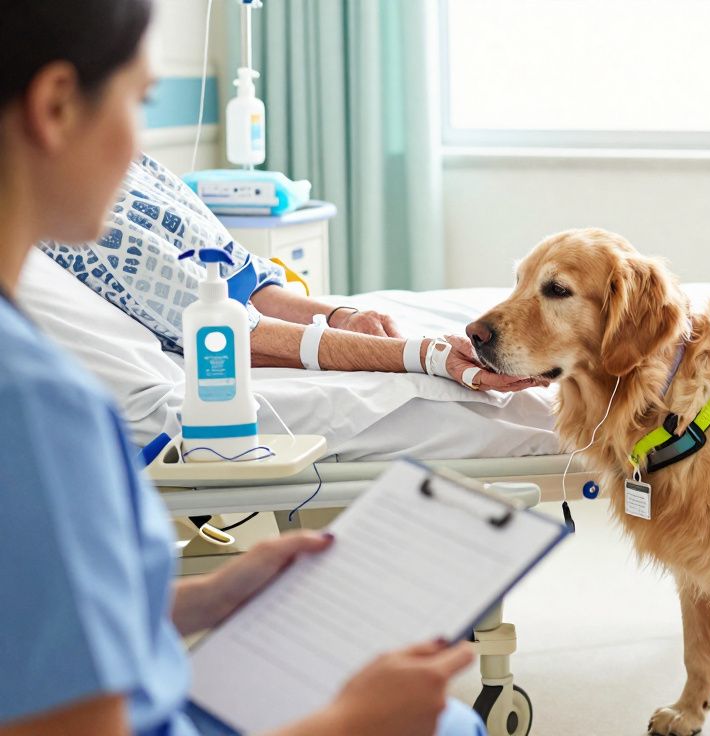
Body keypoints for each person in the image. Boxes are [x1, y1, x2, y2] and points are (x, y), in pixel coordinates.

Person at [0, 2, 486, 734]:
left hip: (146, 684)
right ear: (56, 107)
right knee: (445, 723)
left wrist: (209, 597)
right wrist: (353, 721)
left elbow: (32, 618)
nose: (140, 146)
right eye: (137, 100)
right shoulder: (38, 409)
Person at [41, 149, 541, 392]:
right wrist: (426, 356)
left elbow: (242, 282)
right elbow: (237, 333)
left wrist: (342, 314)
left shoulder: (124, 162)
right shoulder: (70, 213)